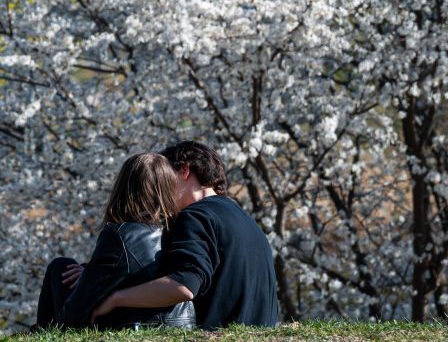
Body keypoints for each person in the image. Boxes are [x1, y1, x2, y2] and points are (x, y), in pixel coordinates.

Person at [90, 141, 278, 330]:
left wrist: (116, 298)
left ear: (184, 170)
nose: (160, 190)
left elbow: (184, 284)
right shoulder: (243, 218)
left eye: (165, 178)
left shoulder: (196, 216)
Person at [34, 154, 196, 331]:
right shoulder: (183, 228)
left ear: (124, 188)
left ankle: (41, 332)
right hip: (181, 324)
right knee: (77, 270)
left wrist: (89, 285)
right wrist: (89, 274)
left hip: (136, 326)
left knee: (60, 267)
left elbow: (74, 314)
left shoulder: (121, 235)